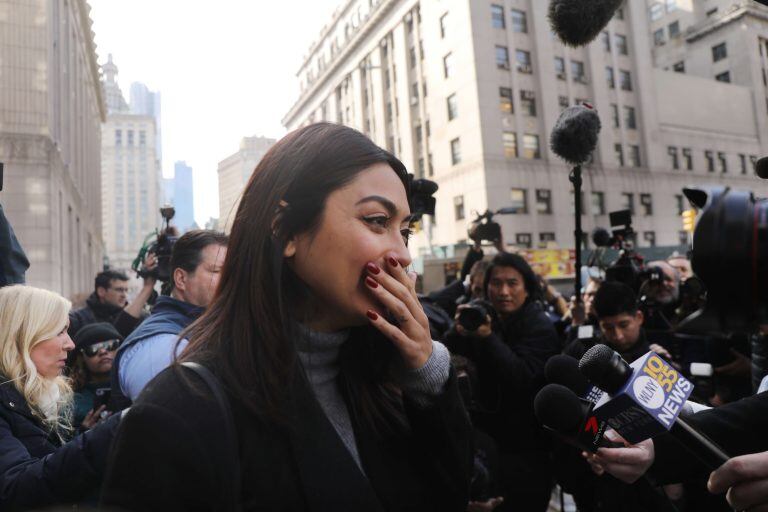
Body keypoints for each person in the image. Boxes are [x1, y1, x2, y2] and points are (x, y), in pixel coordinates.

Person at [100, 122, 473, 511]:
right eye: (377, 221)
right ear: (285, 230)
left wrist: (428, 374)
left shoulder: (391, 377)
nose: (402, 253)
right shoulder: (181, 413)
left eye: (406, 231)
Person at [445, 252, 561, 512]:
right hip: (486, 445)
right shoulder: (484, 317)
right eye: (496, 284)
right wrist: (459, 330)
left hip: (527, 452)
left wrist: (487, 338)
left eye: (512, 283)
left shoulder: (539, 325)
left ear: (527, 288)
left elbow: (521, 379)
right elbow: (444, 356)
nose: (503, 291)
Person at [0, 285, 120, 510]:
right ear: (22, 335)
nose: (70, 344)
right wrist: (109, 432)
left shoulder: (42, 395)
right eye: (59, 331)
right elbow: (14, 486)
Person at [109, 230, 228, 410]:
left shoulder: (212, 328)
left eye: (232, 271)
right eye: (217, 271)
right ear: (181, 278)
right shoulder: (161, 346)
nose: (230, 279)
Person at [68, 258, 157, 339]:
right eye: (119, 290)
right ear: (101, 291)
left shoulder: (139, 317)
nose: (124, 295)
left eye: (126, 290)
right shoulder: (78, 319)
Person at [70, 323, 121, 429]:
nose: (103, 351)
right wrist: (84, 432)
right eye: (93, 349)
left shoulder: (134, 387)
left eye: (110, 345)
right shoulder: (72, 402)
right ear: (81, 357)